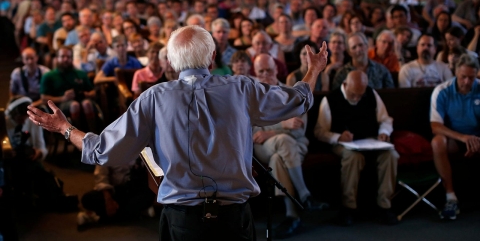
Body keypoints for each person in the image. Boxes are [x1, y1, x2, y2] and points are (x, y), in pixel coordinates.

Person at [27, 25, 329, 241]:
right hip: (233, 218)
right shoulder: (241, 87)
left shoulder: (153, 98)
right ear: (211, 57)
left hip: (184, 220)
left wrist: (65, 129)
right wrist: (313, 71)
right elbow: (297, 101)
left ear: (171, 62)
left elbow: (103, 151)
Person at [253, 53, 329, 238]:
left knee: (279, 157)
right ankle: (305, 195)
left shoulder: (291, 92)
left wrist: (271, 130)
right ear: (254, 73)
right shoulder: (252, 97)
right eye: (260, 71)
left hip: (294, 145)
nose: (265, 75)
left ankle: (292, 216)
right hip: (263, 148)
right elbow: (254, 133)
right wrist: (282, 125)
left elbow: (297, 130)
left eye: (269, 70)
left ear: (276, 69)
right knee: (283, 141)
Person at [314, 70, 398, 226]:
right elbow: (320, 132)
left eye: (361, 95)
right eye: (353, 95)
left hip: (371, 141)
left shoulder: (371, 94)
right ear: (345, 85)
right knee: (353, 157)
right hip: (344, 144)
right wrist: (337, 137)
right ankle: (349, 207)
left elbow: (385, 119)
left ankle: (384, 205)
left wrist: (384, 133)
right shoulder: (330, 100)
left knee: (391, 155)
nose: (357, 98)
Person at [430, 54, 480, 220]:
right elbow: (435, 126)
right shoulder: (442, 91)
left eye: (471, 78)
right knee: (437, 142)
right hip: (456, 138)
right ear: (456, 73)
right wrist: (464, 138)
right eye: (463, 77)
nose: (467, 82)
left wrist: (475, 142)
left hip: (477, 137)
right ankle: (450, 197)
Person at [41, 46, 97, 132]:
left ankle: (94, 133)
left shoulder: (80, 74)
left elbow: (93, 91)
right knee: (74, 105)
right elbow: (44, 98)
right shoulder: (48, 76)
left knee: (87, 103)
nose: (66, 59)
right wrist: (63, 98)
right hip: (61, 105)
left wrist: (88, 94)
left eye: (68, 57)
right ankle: (77, 135)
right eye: (62, 57)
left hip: (82, 100)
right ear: (57, 58)